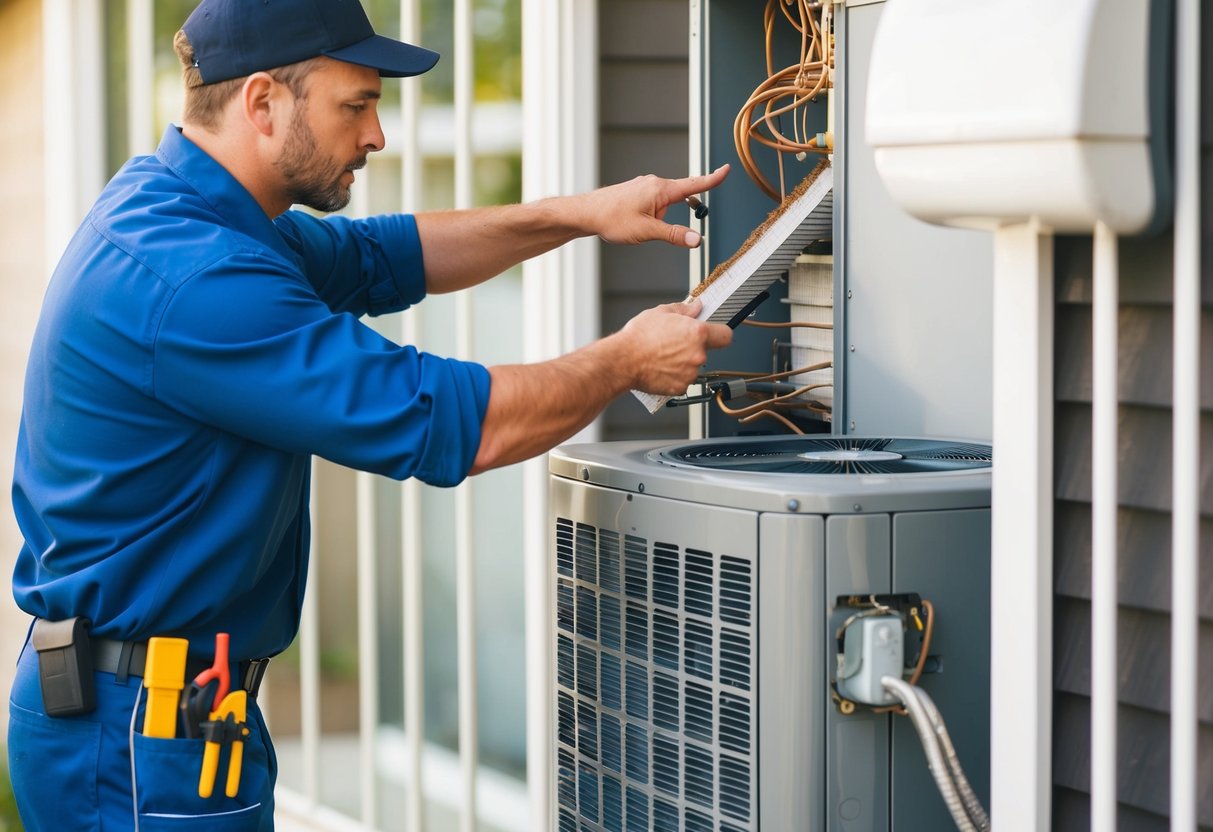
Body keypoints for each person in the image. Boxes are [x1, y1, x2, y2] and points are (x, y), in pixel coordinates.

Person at [6, 0, 733, 829]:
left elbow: (394, 253)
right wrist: (626, 360)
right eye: (356, 104)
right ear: (261, 103)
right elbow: (464, 424)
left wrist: (579, 215)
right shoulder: (198, 278)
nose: (376, 135)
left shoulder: (194, 208)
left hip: (162, 707)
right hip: (136, 733)